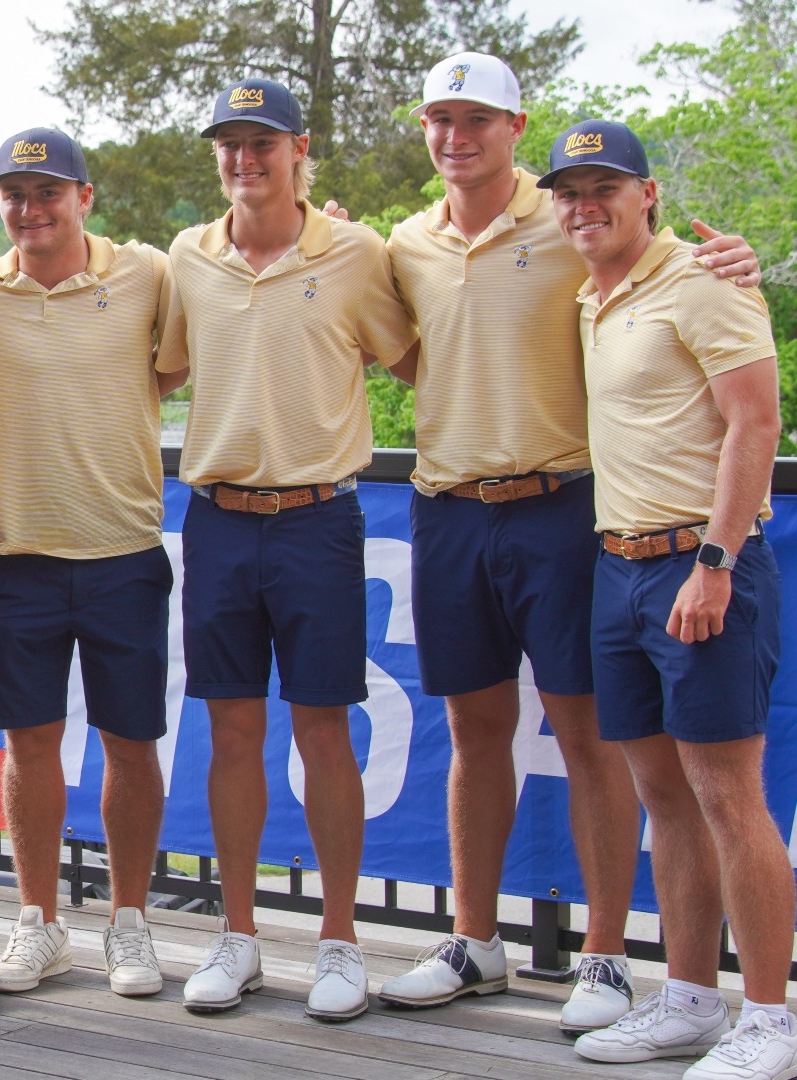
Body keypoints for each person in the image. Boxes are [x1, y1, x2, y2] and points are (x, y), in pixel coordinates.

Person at [377, 52, 762, 1033]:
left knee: (589, 738)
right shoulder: (403, 244)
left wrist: (739, 261)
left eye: (478, 119)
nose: (456, 136)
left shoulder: (565, 225)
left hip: (563, 509)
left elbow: (667, 264)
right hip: (447, 507)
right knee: (472, 735)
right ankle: (475, 941)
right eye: (440, 119)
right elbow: (409, 351)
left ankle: (602, 959)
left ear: (515, 127)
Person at [156, 78, 415, 1022]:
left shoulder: (355, 251)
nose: (243, 158)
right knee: (229, 731)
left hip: (317, 518)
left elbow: (417, 353)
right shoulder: (189, 256)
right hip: (217, 520)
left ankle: (340, 943)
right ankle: (238, 937)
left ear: (299, 149)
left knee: (322, 729)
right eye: (228, 142)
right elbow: (160, 365)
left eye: (262, 141)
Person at [541, 120, 793, 1080]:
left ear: (647, 193)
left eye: (605, 186)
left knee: (730, 795)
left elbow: (755, 420)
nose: (585, 204)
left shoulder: (704, 279)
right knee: (662, 796)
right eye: (570, 190)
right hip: (619, 567)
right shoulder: (590, 294)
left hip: (704, 565)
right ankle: (690, 998)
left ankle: (769, 1017)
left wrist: (718, 561)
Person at [0, 127, 172, 1001]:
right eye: (14, 194)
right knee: (28, 745)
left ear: (85, 197)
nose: (30, 209)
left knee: (131, 743)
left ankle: (129, 925)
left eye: (48, 192)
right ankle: (39, 923)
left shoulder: (146, 274)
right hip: (18, 555)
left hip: (124, 550)